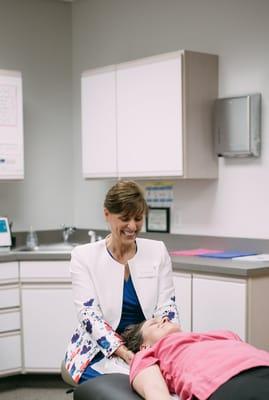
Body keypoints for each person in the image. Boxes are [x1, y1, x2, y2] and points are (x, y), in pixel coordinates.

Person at [64, 180, 179, 384]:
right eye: (125, 218)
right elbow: (89, 316)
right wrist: (124, 353)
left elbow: (167, 308)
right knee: (130, 386)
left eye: (138, 218)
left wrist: (161, 347)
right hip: (98, 349)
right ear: (107, 214)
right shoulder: (84, 257)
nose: (133, 226)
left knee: (172, 383)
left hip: (147, 346)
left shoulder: (157, 251)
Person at [122, 317, 269, 400]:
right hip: (226, 383)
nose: (165, 318)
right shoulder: (149, 352)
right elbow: (153, 390)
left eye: (164, 318)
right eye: (154, 324)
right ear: (144, 346)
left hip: (262, 365)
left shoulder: (218, 335)